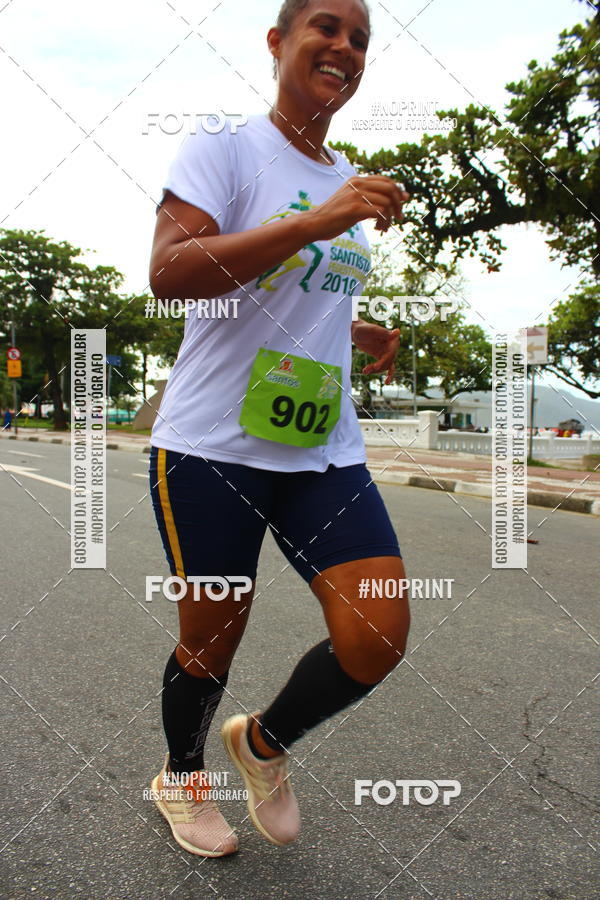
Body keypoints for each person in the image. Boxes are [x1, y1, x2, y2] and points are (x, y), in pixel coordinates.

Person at [148, 0, 411, 858]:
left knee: (377, 633)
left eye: (361, 38)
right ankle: (180, 779)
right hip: (212, 447)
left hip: (318, 449)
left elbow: (296, 294)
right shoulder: (225, 146)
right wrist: (311, 223)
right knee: (213, 638)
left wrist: (352, 328)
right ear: (279, 42)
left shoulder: (347, 171)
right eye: (327, 27)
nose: (345, 47)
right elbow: (171, 272)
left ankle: (262, 744)